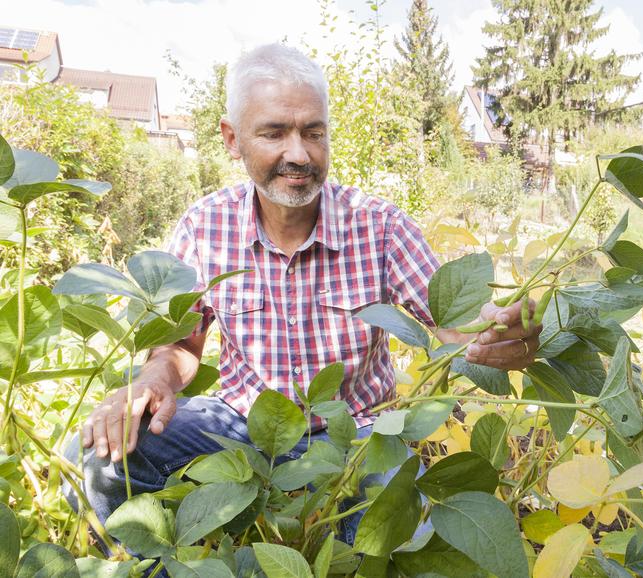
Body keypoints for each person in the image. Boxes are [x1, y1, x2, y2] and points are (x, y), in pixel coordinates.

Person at [65, 43, 540, 544]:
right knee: (99, 456)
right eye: (274, 132)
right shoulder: (204, 227)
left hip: (357, 435)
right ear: (232, 139)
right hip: (243, 425)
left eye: (313, 133)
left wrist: (495, 332)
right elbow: (182, 347)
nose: (299, 153)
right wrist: (154, 381)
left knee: (413, 534)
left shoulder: (380, 226)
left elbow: (456, 324)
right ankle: (160, 563)